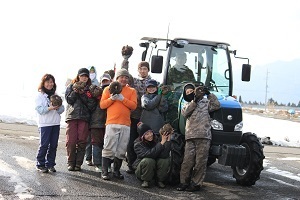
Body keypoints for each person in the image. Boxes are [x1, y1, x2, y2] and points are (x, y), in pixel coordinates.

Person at [177, 83, 220, 192]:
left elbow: (216, 105)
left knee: (200, 162)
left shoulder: (206, 103)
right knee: (187, 161)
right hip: (190, 136)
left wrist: (209, 94)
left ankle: (196, 183)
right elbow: (185, 113)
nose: (190, 93)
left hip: (204, 136)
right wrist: (194, 101)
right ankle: (183, 182)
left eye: (192, 91)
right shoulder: (187, 104)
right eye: (188, 92)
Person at [100, 68, 137, 180]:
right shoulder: (108, 89)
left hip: (125, 124)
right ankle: (105, 171)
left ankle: (116, 171)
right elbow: (102, 105)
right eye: (122, 77)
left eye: (126, 77)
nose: (124, 79)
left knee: (121, 149)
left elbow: (133, 106)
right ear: (117, 78)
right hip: (111, 123)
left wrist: (122, 99)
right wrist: (111, 99)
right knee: (108, 147)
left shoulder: (132, 91)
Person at [65, 68, 97, 171]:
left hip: (84, 118)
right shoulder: (71, 86)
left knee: (82, 141)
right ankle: (70, 162)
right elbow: (69, 100)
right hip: (72, 116)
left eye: (86, 76)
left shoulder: (90, 90)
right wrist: (75, 92)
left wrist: (83, 94)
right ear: (78, 76)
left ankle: (78, 163)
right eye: (82, 75)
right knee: (71, 141)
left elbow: (92, 105)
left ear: (88, 78)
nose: (84, 78)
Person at [126, 61, 152, 174]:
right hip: (134, 116)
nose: (142, 71)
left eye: (145, 69)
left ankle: (142, 166)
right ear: (138, 70)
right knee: (131, 141)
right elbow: (124, 73)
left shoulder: (153, 83)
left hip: (147, 117)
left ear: (148, 70)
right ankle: (131, 165)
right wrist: (126, 58)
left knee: (145, 142)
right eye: (140, 69)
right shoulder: (134, 81)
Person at [35, 74, 65, 173]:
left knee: (53, 145)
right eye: (47, 82)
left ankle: (50, 164)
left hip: (55, 123)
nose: (50, 84)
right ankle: (40, 164)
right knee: (44, 145)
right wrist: (50, 108)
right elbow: (39, 110)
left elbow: (62, 110)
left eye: (51, 82)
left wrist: (58, 107)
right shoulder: (40, 96)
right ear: (43, 83)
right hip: (44, 124)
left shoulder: (56, 94)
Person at [133, 122, 171, 188]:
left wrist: (167, 141)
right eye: (147, 134)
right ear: (142, 136)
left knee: (165, 160)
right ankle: (146, 180)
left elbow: (164, 155)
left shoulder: (156, 139)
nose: (150, 135)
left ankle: (159, 180)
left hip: (154, 168)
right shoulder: (138, 144)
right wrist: (161, 143)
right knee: (148, 160)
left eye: (151, 132)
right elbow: (150, 154)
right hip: (141, 171)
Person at [89, 73, 112, 173]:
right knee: (97, 144)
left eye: (107, 81)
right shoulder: (95, 92)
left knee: (109, 145)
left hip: (110, 122)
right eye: (103, 81)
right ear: (100, 81)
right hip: (96, 122)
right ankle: (98, 164)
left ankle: (108, 165)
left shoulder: (114, 91)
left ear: (111, 81)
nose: (105, 83)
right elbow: (90, 106)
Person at [85, 66, 100, 166]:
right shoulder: (84, 85)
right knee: (87, 139)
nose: (91, 73)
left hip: (95, 115)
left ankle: (95, 159)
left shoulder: (98, 83)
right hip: (86, 114)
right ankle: (88, 157)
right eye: (89, 72)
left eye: (93, 72)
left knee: (94, 139)